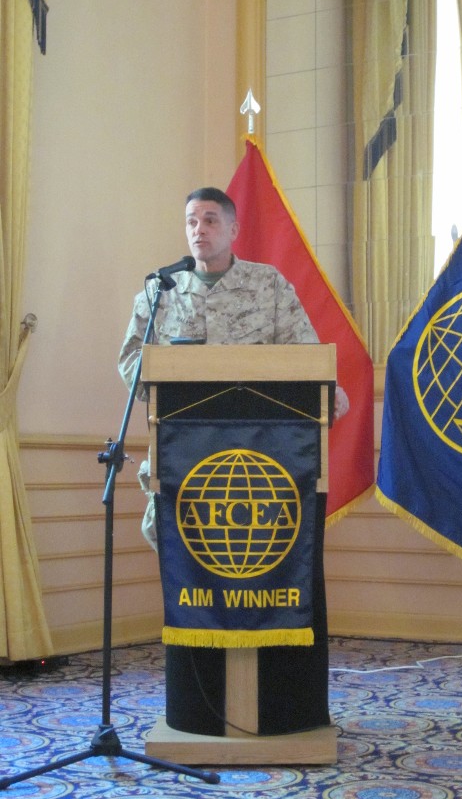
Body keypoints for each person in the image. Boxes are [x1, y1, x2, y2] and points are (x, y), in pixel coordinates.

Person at [118, 186, 348, 737]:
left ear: (233, 229)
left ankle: (277, 710)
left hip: (267, 468)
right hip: (187, 465)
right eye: (191, 220)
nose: (199, 229)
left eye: (211, 220)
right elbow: (130, 363)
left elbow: (308, 355)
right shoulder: (160, 290)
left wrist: (329, 390)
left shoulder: (268, 284)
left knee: (268, 571)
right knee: (196, 571)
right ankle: (200, 713)